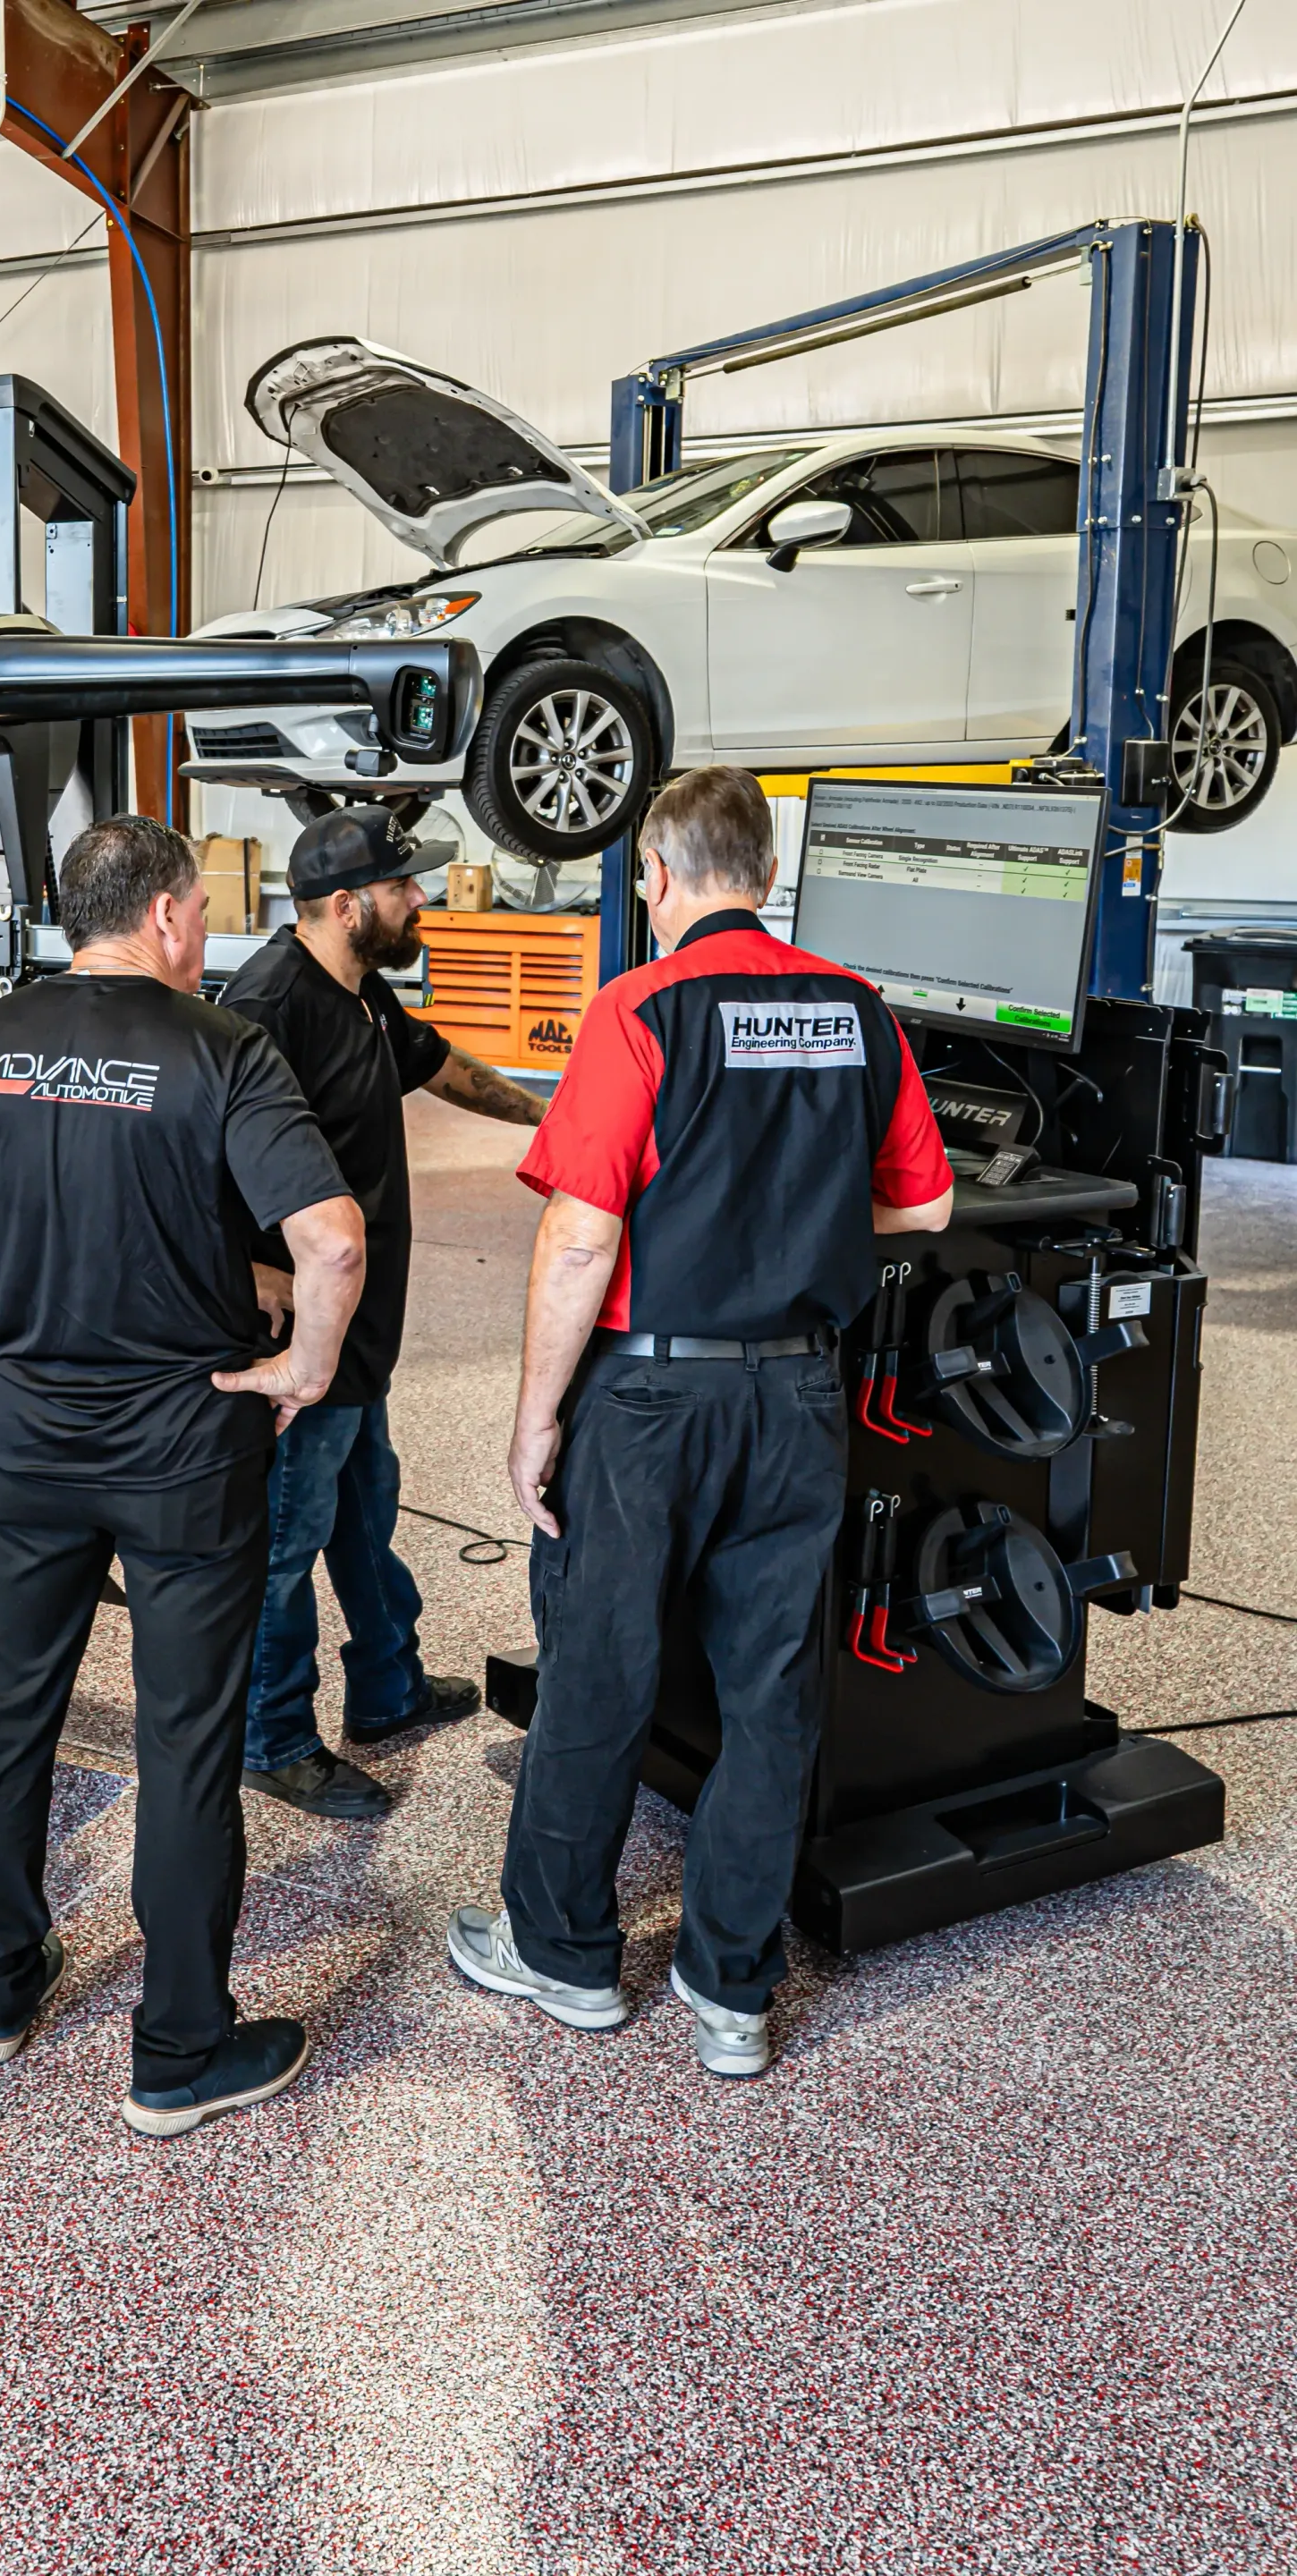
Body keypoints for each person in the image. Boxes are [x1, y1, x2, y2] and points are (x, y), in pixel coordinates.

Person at [0, 816, 365, 2140]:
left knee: (9, 1706)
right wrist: (302, 1369)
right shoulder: (223, 1050)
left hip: (26, 1436)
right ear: (173, 916)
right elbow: (334, 1238)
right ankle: (179, 2052)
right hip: (184, 1444)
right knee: (186, 1739)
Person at [447, 766, 953, 2079]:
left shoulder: (641, 1011)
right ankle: (732, 1990)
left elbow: (578, 1236)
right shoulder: (857, 1011)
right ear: (769, 878)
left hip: (650, 1397)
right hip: (796, 1393)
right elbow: (929, 1208)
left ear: (657, 878)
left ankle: (562, 1958)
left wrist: (532, 1419)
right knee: (773, 1692)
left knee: (603, 1667)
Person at [222, 806, 547, 1820]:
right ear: (349, 902)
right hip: (304, 1338)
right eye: (408, 886)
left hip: (363, 1329)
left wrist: (556, 1113)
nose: (426, 899)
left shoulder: (362, 992)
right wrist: (247, 1268)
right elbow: (200, 1154)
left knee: (366, 1513)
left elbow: (444, 1066)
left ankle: (389, 1687)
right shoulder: (270, 1004)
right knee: (286, 1536)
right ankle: (272, 1736)